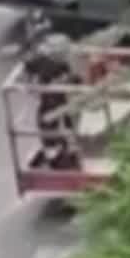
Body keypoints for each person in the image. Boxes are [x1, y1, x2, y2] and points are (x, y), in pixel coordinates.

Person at [23, 31, 83, 170]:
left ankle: (63, 151)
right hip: (50, 103)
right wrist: (31, 84)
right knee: (50, 130)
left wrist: (73, 82)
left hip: (60, 102)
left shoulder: (61, 65)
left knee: (65, 125)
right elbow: (28, 66)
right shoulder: (42, 62)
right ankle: (52, 156)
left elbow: (73, 78)